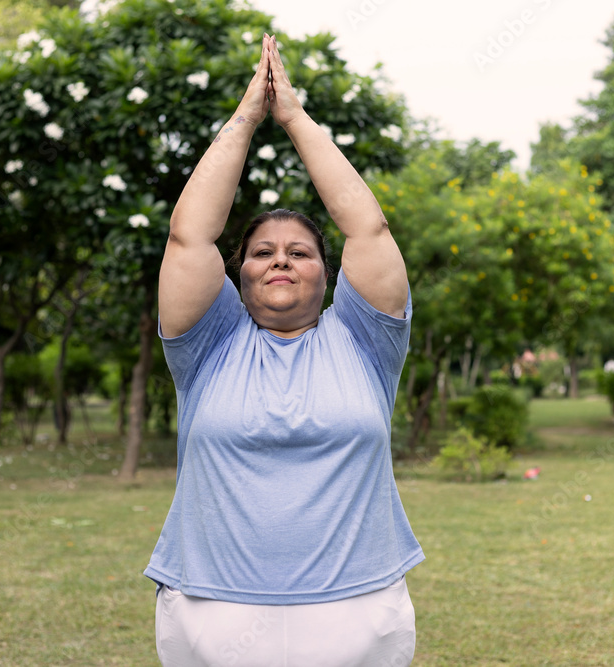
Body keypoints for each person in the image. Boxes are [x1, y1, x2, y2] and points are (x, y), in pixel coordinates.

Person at [145, 34, 423, 666]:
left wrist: (293, 116)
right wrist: (247, 117)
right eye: (262, 253)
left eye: (300, 252)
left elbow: (368, 228)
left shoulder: (365, 341)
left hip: (357, 609)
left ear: (329, 275)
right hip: (213, 609)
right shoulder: (208, 346)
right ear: (238, 274)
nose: (280, 261)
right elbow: (189, 236)